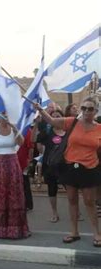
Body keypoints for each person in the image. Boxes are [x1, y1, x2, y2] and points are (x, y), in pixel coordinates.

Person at [34, 97, 101, 247]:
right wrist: (40, 109)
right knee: (71, 199)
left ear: (96, 111)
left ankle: (97, 233)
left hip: (90, 168)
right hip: (70, 166)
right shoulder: (73, 122)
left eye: (90, 109)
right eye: (83, 108)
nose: (85, 111)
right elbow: (51, 121)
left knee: (89, 202)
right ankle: (74, 232)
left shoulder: (99, 129)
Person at [0, 112, 29, 239]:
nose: (5, 116)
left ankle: (15, 229)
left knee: (13, 196)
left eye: (7, 114)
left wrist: (15, 128)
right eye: (2, 114)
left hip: (13, 165)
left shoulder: (14, 127)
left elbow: (21, 142)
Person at [35, 108, 65, 222]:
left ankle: (76, 212)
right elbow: (36, 143)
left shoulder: (68, 131)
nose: (56, 118)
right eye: (54, 116)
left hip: (65, 165)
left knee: (72, 189)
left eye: (58, 116)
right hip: (50, 165)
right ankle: (54, 213)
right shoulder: (47, 132)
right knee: (52, 190)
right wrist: (38, 124)